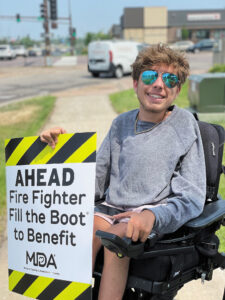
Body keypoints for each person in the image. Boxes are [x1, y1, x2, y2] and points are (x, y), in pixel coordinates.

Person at [40, 44, 206, 300]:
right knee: (76, 234)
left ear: (178, 89)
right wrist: (61, 154)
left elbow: (192, 196)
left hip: (146, 213)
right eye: (150, 76)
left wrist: (154, 215)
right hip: (109, 208)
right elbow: (95, 180)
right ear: (135, 83)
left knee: (114, 242)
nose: (159, 84)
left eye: (170, 79)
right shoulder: (121, 124)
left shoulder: (184, 125)